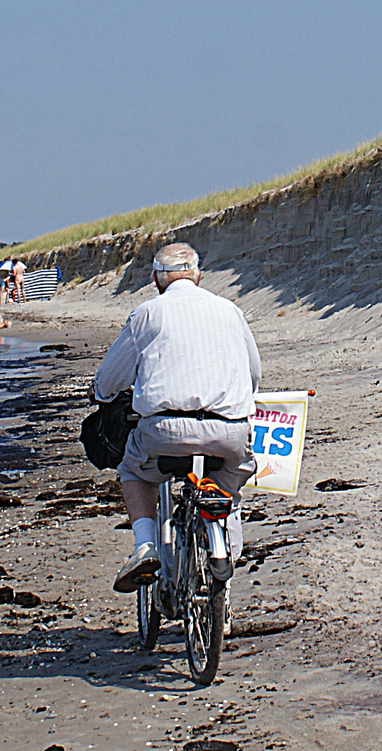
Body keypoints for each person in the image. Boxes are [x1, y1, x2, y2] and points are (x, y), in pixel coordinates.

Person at [93, 242, 259, 593]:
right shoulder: (229, 310)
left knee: (133, 470)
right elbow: (254, 373)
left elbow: (110, 379)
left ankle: (146, 545)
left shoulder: (148, 313)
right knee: (227, 488)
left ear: (157, 277)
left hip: (164, 430)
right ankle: (223, 575)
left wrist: (102, 395)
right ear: (198, 275)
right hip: (227, 430)